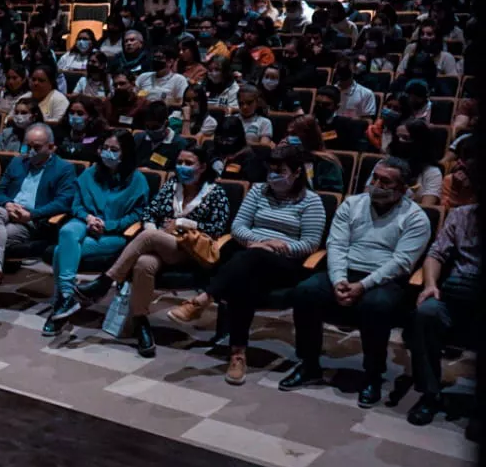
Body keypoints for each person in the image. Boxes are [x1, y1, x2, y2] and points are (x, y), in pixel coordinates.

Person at [280, 157, 431, 406]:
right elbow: (336, 245)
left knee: (376, 305)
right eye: (375, 178)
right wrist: (339, 279)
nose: (377, 184)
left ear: (403, 189)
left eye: (386, 181)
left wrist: (363, 285)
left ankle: (373, 375)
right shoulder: (352, 204)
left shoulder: (415, 218)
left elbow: (402, 262)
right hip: (346, 271)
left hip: (384, 279)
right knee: (305, 292)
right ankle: (309, 365)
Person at [169, 146, 325, 383]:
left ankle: (204, 299)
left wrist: (276, 246)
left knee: (247, 260)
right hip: (251, 257)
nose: (273, 175)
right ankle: (238, 354)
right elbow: (239, 227)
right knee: (245, 278)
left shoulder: (311, 202)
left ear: (296, 173)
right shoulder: (258, 192)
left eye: (280, 171)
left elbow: (310, 244)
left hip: (287, 264)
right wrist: (260, 242)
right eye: (270, 170)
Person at [78, 142, 230, 357]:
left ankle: (106, 281)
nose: (182, 167)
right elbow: (149, 213)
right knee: (143, 263)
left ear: (203, 167)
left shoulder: (216, 193)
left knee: (149, 236)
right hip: (161, 246)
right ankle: (141, 323)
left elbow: (218, 228)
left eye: (189, 163)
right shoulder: (171, 186)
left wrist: (181, 225)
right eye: (179, 163)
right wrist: (158, 232)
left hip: (192, 251)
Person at [0, 125, 76, 322]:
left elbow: (64, 202)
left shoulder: (64, 169)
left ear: (51, 147)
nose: (29, 152)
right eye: (26, 146)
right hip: (8, 212)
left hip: (32, 222)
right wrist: (8, 203)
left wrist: (32, 214)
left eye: (36, 147)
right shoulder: (17, 163)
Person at [46, 129, 149, 327]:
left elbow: (137, 216)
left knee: (61, 250)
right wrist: (88, 218)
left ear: (125, 153)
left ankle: (60, 303)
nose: (107, 153)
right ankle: (68, 296)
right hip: (85, 222)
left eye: (114, 149)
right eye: (104, 148)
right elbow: (76, 205)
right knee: (67, 231)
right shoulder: (90, 172)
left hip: (114, 233)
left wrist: (109, 225)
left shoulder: (137, 180)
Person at [401, 194, 476, 426]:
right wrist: (431, 285)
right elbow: (435, 254)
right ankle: (430, 393)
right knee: (426, 313)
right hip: (455, 295)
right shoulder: (462, 214)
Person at [377, 119, 443, 201]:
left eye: (405, 138)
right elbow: (369, 194)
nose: (399, 141)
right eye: (397, 137)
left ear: (420, 142)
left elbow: (427, 207)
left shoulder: (432, 173)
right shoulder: (383, 164)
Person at [284, 114, 345, 192]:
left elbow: (330, 196)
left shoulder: (327, 163)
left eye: (294, 134)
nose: (288, 139)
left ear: (309, 136)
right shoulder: (284, 158)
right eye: (288, 134)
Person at [133, 100, 188, 169]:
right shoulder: (138, 138)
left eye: (155, 127)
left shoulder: (179, 144)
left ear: (166, 123)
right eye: (148, 127)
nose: (151, 131)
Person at [212, 115, 268, 182]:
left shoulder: (251, 158)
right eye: (221, 139)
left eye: (229, 140)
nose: (224, 143)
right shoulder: (213, 152)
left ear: (239, 138)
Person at [312, 85, 363, 151]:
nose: (320, 107)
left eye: (326, 104)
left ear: (337, 107)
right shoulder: (308, 123)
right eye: (318, 103)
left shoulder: (345, 125)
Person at [55, 96, 105, 162]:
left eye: (80, 113)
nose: (74, 117)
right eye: (72, 113)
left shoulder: (98, 137)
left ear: (91, 117)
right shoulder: (59, 132)